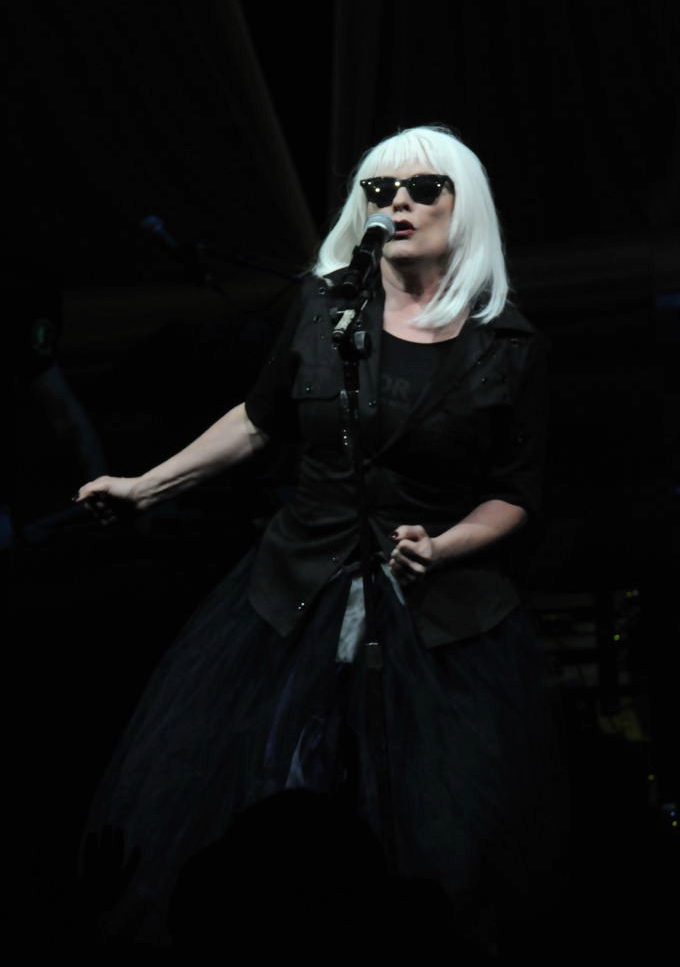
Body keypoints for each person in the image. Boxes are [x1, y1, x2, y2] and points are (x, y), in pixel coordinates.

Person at [75, 124, 569, 954]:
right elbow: (258, 420)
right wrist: (146, 486)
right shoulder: (323, 308)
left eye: (423, 189)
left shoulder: (508, 344)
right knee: (271, 789)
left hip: (441, 617)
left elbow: (515, 494)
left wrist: (443, 546)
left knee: (439, 824)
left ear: (465, 207)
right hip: (297, 586)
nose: (399, 203)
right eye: (381, 190)